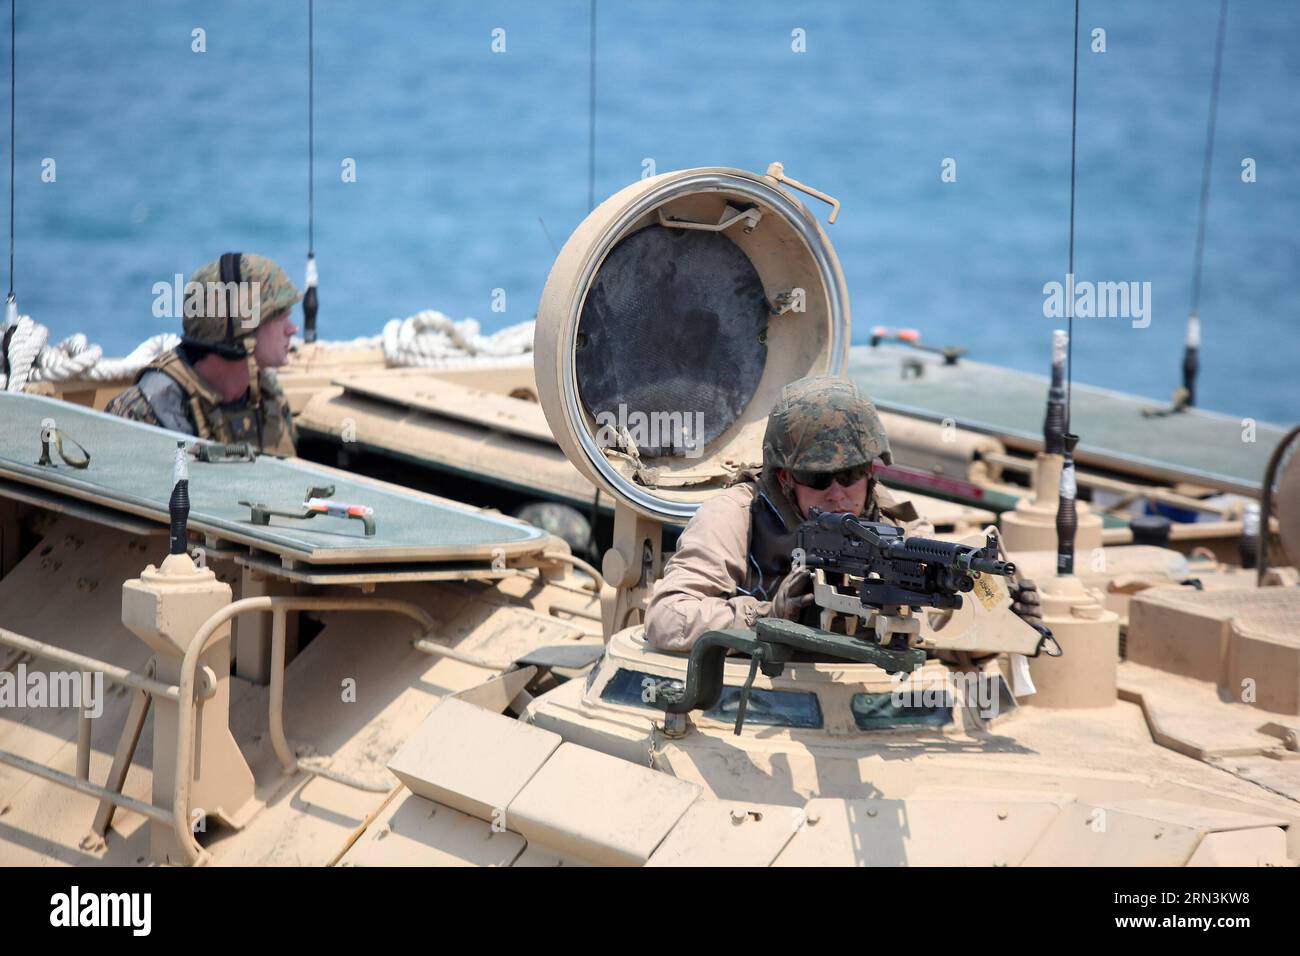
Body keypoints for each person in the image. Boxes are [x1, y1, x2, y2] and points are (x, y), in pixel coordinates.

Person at [643, 376, 1041, 652]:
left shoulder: (896, 524)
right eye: (817, 478)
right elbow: (666, 617)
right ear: (785, 478)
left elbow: (941, 635)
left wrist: (1002, 620)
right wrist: (767, 615)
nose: (836, 494)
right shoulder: (737, 516)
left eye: (850, 475)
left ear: (870, 472)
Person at [105, 252, 301, 456]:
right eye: (279, 317)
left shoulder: (268, 395)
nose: (292, 329)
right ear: (241, 330)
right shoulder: (144, 412)